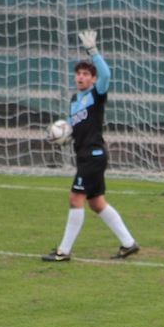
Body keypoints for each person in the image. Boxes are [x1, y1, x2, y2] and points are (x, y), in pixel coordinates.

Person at [42, 29, 140, 262]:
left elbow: (107, 73)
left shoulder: (96, 94)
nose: (81, 77)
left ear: (93, 79)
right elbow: (78, 128)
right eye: (78, 74)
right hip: (85, 154)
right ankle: (129, 244)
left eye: (86, 74)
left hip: (93, 155)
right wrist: (64, 135)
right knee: (96, 203)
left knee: (75, 199)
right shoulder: (74, 100)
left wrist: (93, 52)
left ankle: (63, 252)